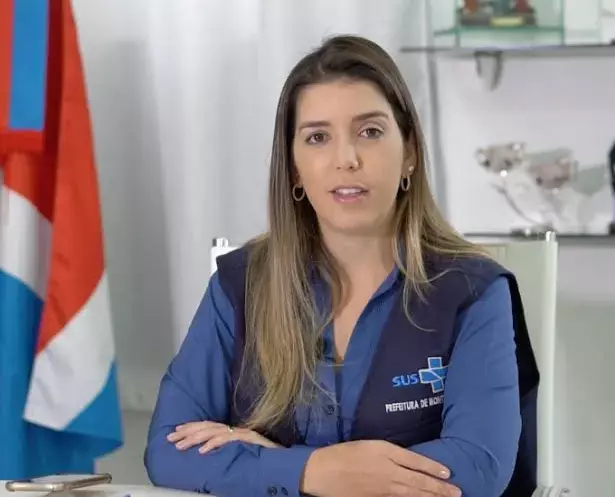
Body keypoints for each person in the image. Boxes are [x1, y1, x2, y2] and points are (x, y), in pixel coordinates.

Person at [144, 35, 539, 497]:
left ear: (410, 152)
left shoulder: (472, 291)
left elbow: (476, 466)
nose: (346, 160)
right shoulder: (238, 285)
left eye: (369, 132)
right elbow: (169, 450)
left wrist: (277, 465)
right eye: (317, 137)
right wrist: (314, 470)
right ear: (294, 168)